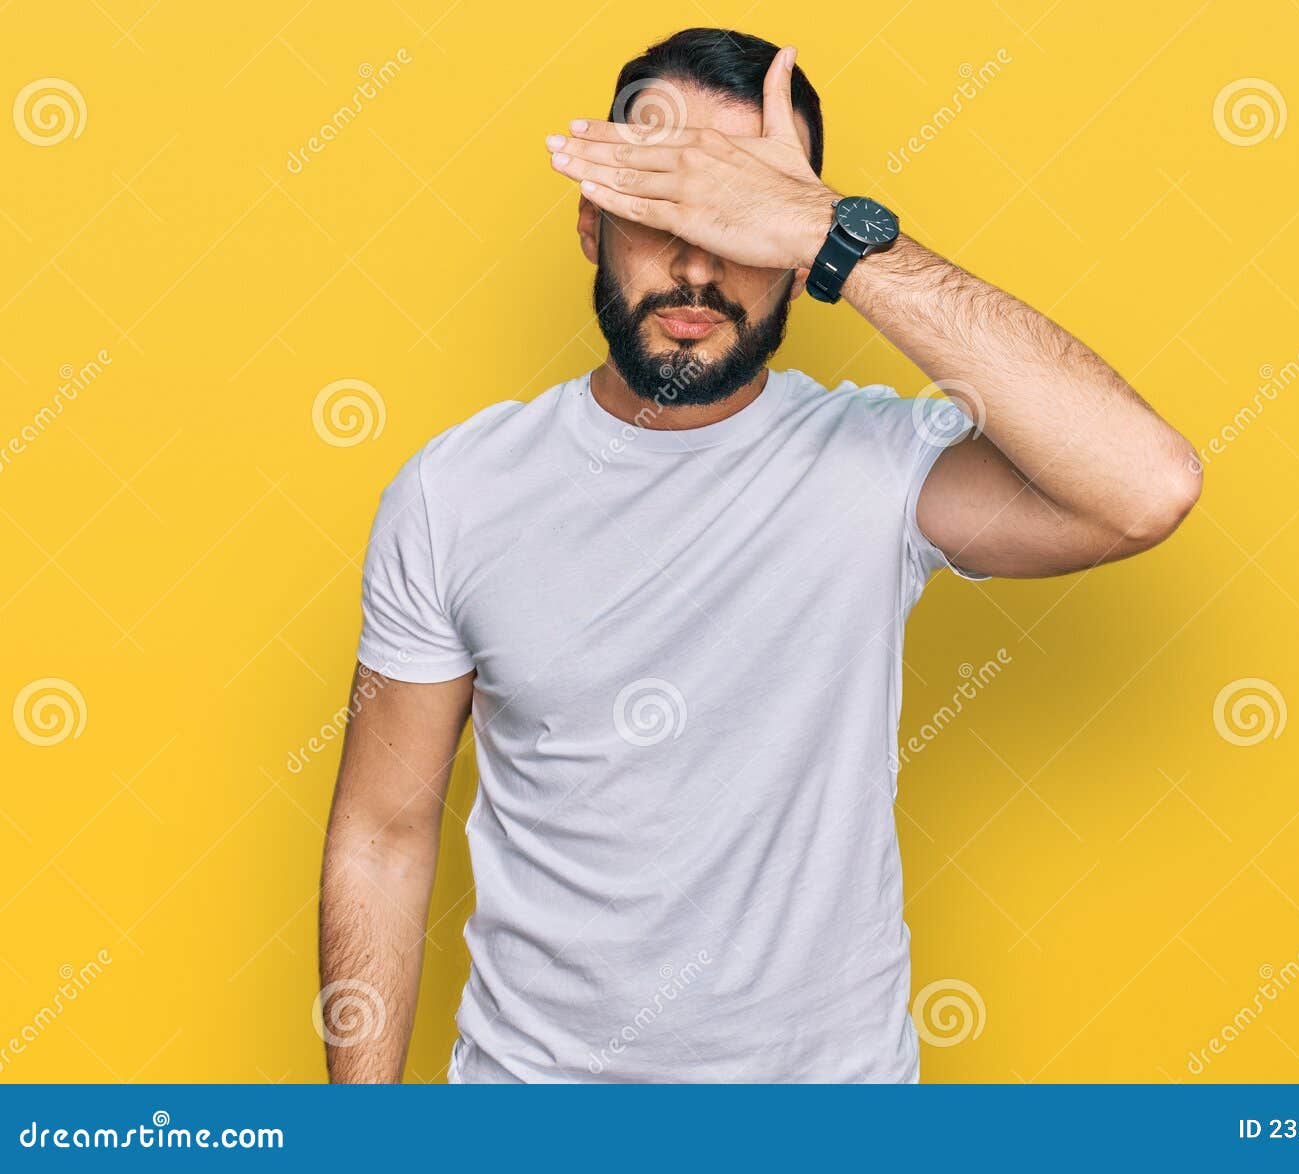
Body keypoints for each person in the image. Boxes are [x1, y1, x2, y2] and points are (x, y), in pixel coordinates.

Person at [318, 27, 1200, 1084]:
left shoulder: (883, 466)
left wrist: (838, 234)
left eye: (734, 217)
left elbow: (1148, 486)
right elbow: (380, 831)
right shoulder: (456, 491)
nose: (697, 263)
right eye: (661, 210)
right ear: (592, 221)